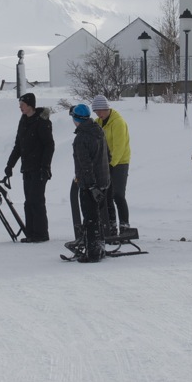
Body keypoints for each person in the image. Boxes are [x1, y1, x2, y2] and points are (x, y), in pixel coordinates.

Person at [4, 92, 54, 242]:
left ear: (30, 105)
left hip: (39, 168)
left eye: (22, 105)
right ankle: (31, 233)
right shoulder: (23, 120)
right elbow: (18, 145)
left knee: (36, 200)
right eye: (20, 105)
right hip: (27, 168)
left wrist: (45, 166)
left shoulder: (42, 121)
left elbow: (49, 145)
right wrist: (10, 165)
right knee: (28, 201)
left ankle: (41, 234)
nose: (20, 107)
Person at [70, 102, 111, 260]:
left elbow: (85, 165)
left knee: (90, 218)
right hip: (103, 181)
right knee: (98, 216)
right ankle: (99, 246)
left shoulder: (81, 138)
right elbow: (108, 155)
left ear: (77, 119)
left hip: (90, 185)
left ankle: (93, 252)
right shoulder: (98, 130)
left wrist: (91, 186)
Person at [91, 95, 132, 230]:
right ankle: (111, 223)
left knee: (118, 194)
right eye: (96, 111)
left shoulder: (118, 122)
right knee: (107, 195)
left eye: (100, 111)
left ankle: (124, 224)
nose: (98, 114)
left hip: (119, 163)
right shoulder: (98, 123)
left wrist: (111, 164)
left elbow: (119, 147)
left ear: (107, 108)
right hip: (105, 164)